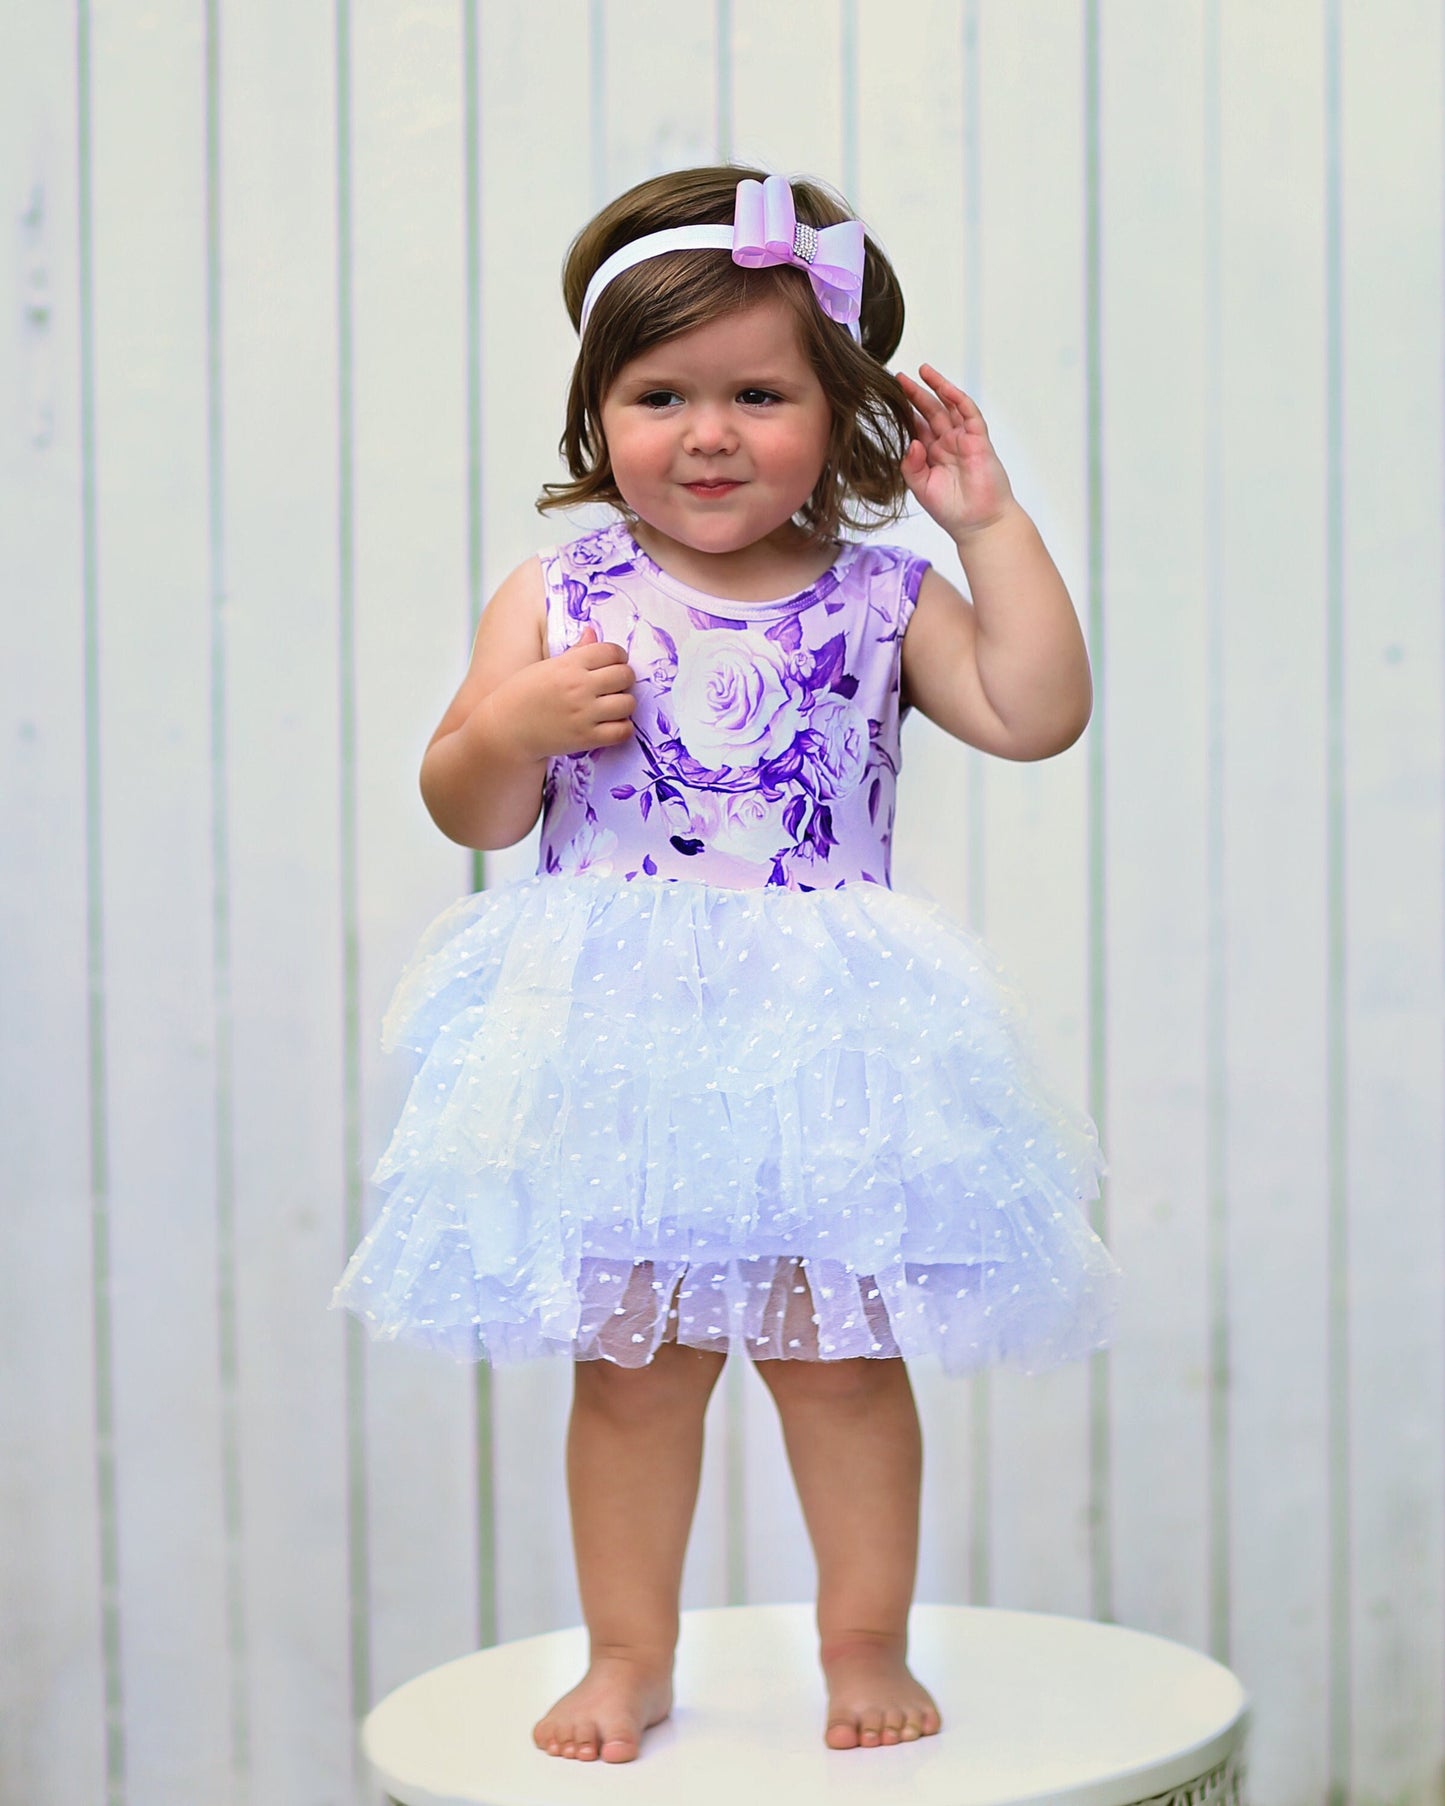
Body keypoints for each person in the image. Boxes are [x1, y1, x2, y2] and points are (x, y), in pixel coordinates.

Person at [333, 164, 1121, 1765]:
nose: (705, 432)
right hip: (619, 1038)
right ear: (593, 412)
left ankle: (862, 1637)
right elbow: (463, 800)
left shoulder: (882, 598)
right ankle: (628, 1651)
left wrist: (990, 525)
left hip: (823, 1034)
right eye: (658, 394)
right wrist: (513, 726)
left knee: (836, 1359)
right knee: (634, 1369)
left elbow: (1036, 713)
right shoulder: (558, 594)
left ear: (840, 414)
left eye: (759, 394)